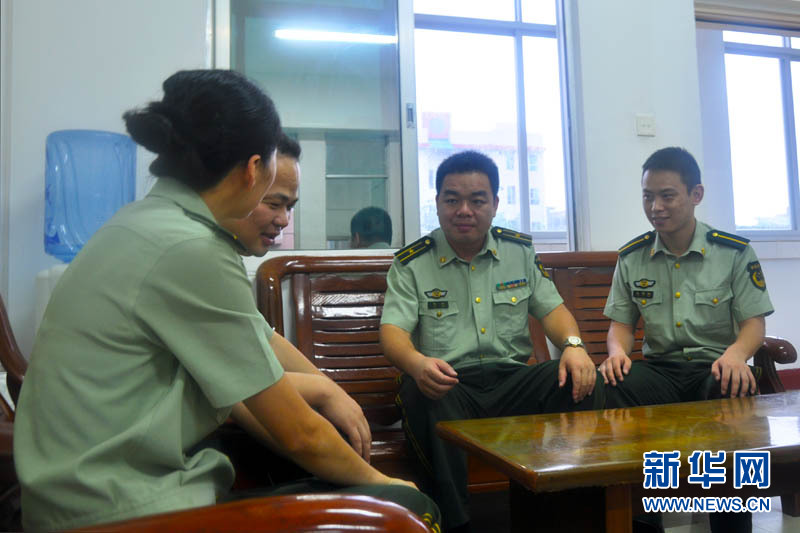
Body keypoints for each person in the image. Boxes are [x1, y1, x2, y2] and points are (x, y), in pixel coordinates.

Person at [13, 69, 439, 532]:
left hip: (77, 499)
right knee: (411, 509)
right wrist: (386, 484)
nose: (282, 216)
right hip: (121, 510)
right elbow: (300, 434)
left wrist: (327, 390)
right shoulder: (190, 250)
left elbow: (260, 345)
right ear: (255, 168)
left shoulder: (144, 224)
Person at [379, 150, 603, 532]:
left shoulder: (518, 252)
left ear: (495, 204)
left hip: (511, 382)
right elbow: (392, 333)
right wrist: (418, 364)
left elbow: (553, 311)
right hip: (451, 384)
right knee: (422, 392)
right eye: (452, 200)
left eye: (477, 200)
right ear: (438, 203)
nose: (464, 210)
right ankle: (455, 523)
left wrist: (574, 346)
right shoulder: (412, 263)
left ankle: (574, 516)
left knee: (579, 380)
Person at [600, 146, 773, 533]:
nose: (655, 207)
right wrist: (616, 353)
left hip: (715, 367)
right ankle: (641, 521)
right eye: (648, 196)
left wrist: (737, 354)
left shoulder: (733, 252)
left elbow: (753, 323)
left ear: (696, 194)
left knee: (732, 387)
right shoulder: (632, 256)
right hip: (660, 371)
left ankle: (731, 525)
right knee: (614, 385)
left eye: (667, 196)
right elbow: (621, 325)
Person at [220, 134, 371, 474]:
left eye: (289, 207)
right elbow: (244, 394)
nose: (285, 220)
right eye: (274, 204)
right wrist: (380, 484)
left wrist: (334, 392)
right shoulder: (197, 254)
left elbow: (265, 339)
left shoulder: (219, 253)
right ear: (240, 182)